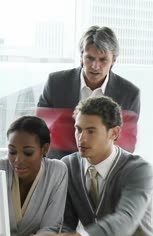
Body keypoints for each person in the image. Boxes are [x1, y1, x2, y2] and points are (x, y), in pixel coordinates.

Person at [23, 96, 153, 236]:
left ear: (114, 133)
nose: (81, 138)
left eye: (91, 131)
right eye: (78, 129)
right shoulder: (68, 166)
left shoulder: (139, 169)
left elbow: (125, 220)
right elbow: (66, 222)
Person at [37, 25, 140, 159]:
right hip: (59, 168)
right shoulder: (55, 83)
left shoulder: (129, 94)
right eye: (90, 58)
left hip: (105, 171)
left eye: (103, 60)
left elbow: (126, 144)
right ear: (81, 56)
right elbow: (38, 131)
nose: (95, 66)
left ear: (113, 60)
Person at [0, 116, 68, 236]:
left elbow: (52, 226)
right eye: (12, 151)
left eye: (28, 153)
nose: (18, 160)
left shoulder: (57, 171)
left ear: (45, 149)